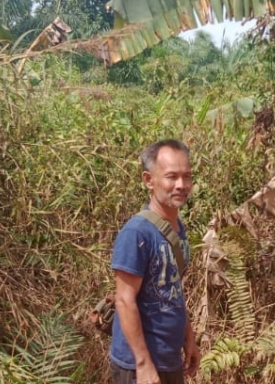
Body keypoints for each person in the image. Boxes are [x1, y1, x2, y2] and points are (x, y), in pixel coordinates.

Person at [109, 140, 201, 384]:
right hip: (139, 364)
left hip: (168, 358)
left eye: (187, 176)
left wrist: (188, 338)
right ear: (149, 180)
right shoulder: (137, 233)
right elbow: (124, 300)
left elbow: (173, 290)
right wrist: (143, 364)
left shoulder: (177, 229)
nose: (181, 185)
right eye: (171, 177)